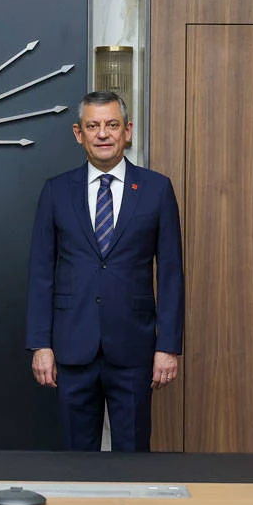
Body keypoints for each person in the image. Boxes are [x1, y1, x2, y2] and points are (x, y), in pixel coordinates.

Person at [25, 90, 184, 451]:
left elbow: (171, 274)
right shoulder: (56, 191)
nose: (102, 134)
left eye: (112, 125)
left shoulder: (157, 189)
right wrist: (40, 344)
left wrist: (168, 346)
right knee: (77, 462)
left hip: (134, 348)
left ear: (127, 131)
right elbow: (40, 273)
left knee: (133, 457)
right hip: (72, 347)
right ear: (78, 133)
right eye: (93, 126)